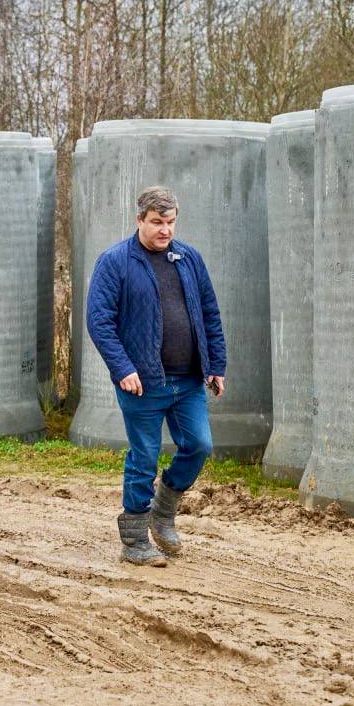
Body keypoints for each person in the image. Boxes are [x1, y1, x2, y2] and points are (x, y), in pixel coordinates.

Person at [86, 186, 226, 567]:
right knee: (144, 457)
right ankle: (134, 540)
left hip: (188, 380)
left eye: (170, 222)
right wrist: (123, 368)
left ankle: (163, 513)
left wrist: (216, 364)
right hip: (142, 383)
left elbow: (209, 313)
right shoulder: (115, 262)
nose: (165, 230)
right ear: (139, 220)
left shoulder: (189, 259)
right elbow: (99, 322)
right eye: (157, 222)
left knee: (199, 445)